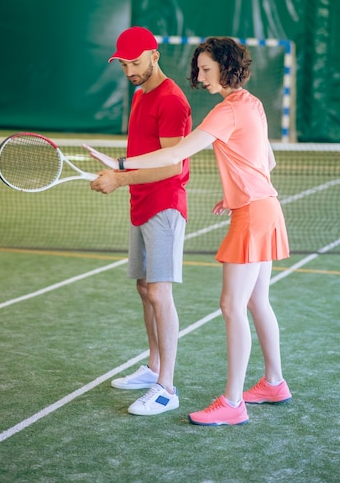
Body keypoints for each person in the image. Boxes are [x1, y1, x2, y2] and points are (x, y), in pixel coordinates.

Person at [86, 36, 291, 426]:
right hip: (266, 207)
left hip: (253, 215)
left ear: (228, 67)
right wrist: (237, 194)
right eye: (198, 69)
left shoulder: (225, 112)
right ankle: (274, 383)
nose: (200, 76)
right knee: (256, 302)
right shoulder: (252, 104)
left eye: (207, 69)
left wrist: (120, 161)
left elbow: (176, 154)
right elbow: (268, 159)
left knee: (232, 306)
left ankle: (233, 403)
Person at [90, 26, 192, 416]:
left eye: (135, 61)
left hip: (164, 205)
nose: (130, 69)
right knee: (144, 287)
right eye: (124, 63)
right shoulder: (139, 95)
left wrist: (118, 178)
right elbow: (143, 154)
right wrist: (118, 167)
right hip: (140, 201)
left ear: (155, 55)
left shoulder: (172, 101)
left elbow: (170, 166)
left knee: (160, 293)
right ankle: (153, 368)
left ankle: (167, 387)